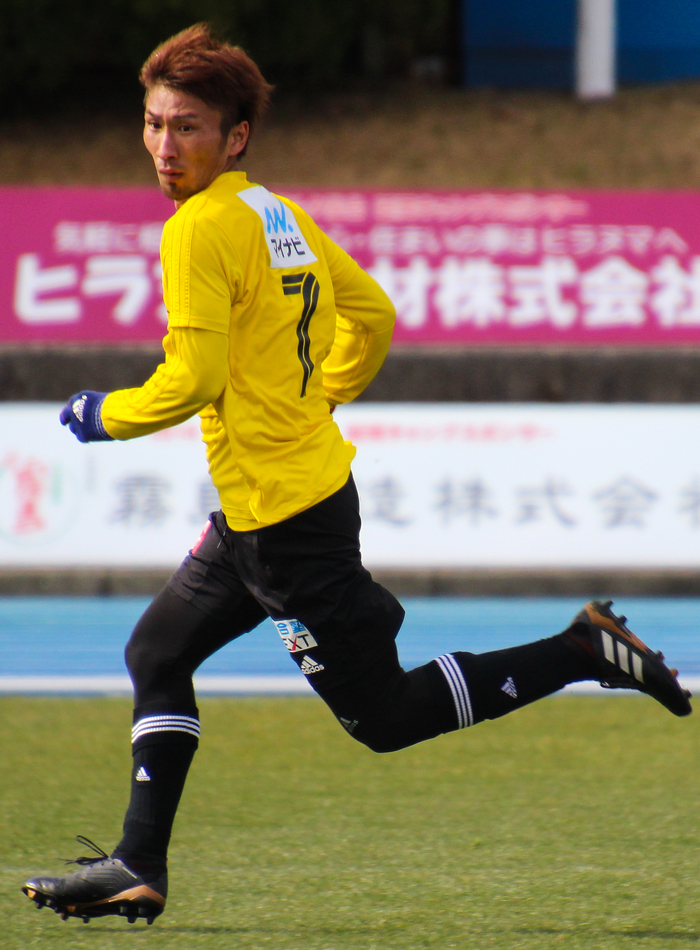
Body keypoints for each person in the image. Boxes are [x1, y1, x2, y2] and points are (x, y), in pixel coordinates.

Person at [22, 23, 692, 927]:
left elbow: (194, 381)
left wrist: (101, 414)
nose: (164, 146)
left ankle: (581, 650)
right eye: (153, 124)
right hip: (264, 513)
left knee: (388, 718)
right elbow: (371, 312)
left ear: (235, 137)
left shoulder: (198, 230)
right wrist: (319, 395)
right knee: (156, 653)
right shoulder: (275, 214)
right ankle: (138, 864)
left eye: (187, 127)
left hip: (288, 527)